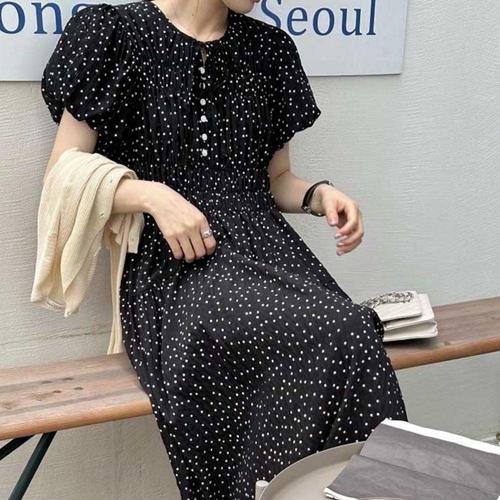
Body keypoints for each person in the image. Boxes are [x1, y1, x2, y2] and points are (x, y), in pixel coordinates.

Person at [40, 0, 408, 498]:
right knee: (332, 331)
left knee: (352, 330)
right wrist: (153, 196)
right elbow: (63, 170)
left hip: (269, 251)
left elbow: (275, 179)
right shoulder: (114, 33)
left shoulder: (270, 50)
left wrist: (318, 196)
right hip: (179, 264)